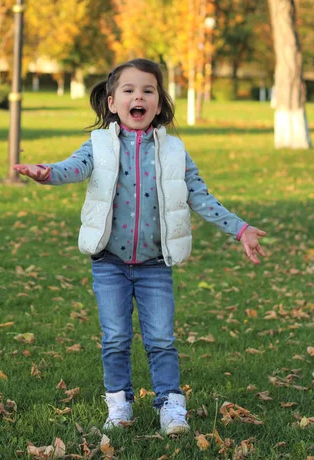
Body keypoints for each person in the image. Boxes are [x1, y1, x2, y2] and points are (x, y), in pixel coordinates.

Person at [14, 58, 266, 435]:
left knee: (162, 339)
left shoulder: (174, 151)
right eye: (129, 90)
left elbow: (200, 196)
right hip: (109, 263)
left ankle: (170, 405)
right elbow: (74, 166)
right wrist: (48, 173)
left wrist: (240, 228)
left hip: (154, 265)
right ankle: (119, 405)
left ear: (160, 104)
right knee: (115, 337)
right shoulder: (98, 145)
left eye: (148, 91)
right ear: (113, 102)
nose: (139, 97)